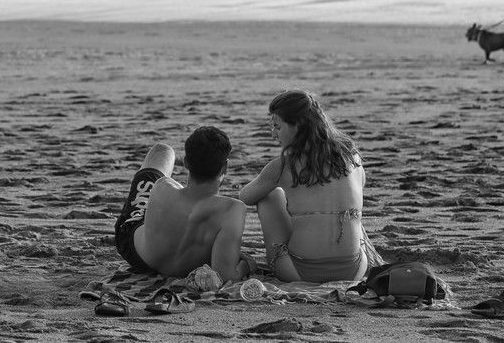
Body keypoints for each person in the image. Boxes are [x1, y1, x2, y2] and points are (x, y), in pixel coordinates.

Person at [239, 90, 381, 283]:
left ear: (297, 126)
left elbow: (245, 197)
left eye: (277, 126)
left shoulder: (283, 166)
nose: (273, 134)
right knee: (344, 207)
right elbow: (359, 185)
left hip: (299, 272)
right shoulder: (351, 156)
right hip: (354, 269)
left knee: (269, 197)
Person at [114, 126, 254, 282]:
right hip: (185, 269)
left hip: (138, 256)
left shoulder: (162, 186)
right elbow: (226, 275)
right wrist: (247, 265)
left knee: (162, 151)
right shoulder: (232, 210)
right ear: (225, 167)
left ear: (186, 162)